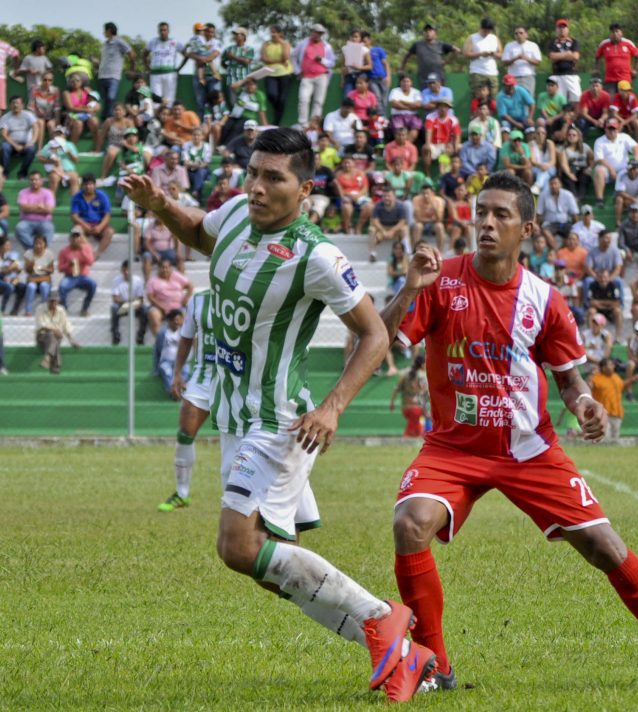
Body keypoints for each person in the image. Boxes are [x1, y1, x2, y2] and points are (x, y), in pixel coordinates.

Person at [123, 127, 437, 703]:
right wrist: (160, 205)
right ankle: (404, 653)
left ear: (306, 188)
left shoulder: (317, 254)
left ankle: (384, 618)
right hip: (234, 416)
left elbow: (372, 335)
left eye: (274, 178)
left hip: (277, 420)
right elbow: (199, 231)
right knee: (264, 567)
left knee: (238, 547)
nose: (258, 188)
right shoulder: (239, 215)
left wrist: (332, 407)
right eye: (253, 173)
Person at [377, 170, 638, 692]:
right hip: (452, 448)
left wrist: (584, 406)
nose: (486, 223)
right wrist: (408, 287)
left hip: (529, 450)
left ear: (528, 230)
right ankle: (437, 666)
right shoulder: (440, 280)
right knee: (409, 523)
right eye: (481, 212)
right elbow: (383, 338)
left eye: (501, 215)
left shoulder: (544, 298)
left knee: (606, 547)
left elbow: (570, 378)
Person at [156, 289, 214, 511]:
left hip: (236, 376)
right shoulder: (199, 300)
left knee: (240, 440)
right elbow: (186, 338)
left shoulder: (245, 293)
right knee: (185, 432)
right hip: (203, 376)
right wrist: (178, 373)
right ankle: (182, 493)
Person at [294, 24, 335, 127]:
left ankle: (314, 123)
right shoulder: (303, 44)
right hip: (306, 76)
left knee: (318, 101)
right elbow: (293, 57)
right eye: (316, 32)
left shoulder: (327, 46)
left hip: (322, 76)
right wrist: (298, 71)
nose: (317, 35)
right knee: (303, 99)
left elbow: (332, 62)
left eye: (320, 33)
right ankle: (303, 123)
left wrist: (321, 60)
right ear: (311, 32)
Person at [97, 23, 135, 121]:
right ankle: (104, 120)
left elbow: (132, 54)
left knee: (111, 98)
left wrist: (131, 69)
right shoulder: (104, 44)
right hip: (102, 76)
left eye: (104, 30)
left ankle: (108, 119)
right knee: (104, 100)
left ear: (109, 30)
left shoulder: (119, 42)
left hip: (113, 76)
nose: (103, 32)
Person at [35, 294, 80, 374]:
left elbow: (66, 325)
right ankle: (55, 366)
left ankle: (48, 358)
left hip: (56, 337)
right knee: (52, 335)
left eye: (55, 301)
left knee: (54, 338)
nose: (53, 303)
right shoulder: (40, 309)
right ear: (47, 301)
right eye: (51, 301)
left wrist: (72, 340)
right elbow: (41, 325)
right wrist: (54, 330)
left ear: (58, 302)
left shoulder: (61, 310)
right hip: (42, 336)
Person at [71, 174, 114, 256]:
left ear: (95, 185)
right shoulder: (77, 197)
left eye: (90, 184)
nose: (88, 187)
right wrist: (85, 225)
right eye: (85, 184)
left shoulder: (102, 196)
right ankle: (90, 252)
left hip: (99, 224)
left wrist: (100, 227)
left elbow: (107, 215)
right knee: (76, 230)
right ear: (82, 185)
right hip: (83, 224)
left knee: (110, 232)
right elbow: (74, 216)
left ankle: (97, 254)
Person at [144, 22, 184, 109]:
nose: (163, 32)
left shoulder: (174, 42)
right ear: (158, 31)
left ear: (168, 31)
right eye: (161, 30)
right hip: (155, 74)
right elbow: (144, 54)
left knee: (169, 100)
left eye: (165, 30)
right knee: (156, 100)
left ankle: (168, 120)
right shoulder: (153, 42)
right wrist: (148, 68)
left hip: (170, 73)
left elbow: (186, 54)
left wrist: (179, 69)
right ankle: (157, 120)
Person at [109, 259, 148, 345]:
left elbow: (141, 299)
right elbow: (115, 298)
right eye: (124, 270)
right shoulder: (116, 280)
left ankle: (141, 335)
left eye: (128, 270)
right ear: (121, 270)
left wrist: (133, 303)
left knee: (145, 309)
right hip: (122, 306)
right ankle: (116, 335)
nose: (126, 272)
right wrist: (128, 302)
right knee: (114, 308)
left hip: (135, 306)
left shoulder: (138, 280)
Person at [594, 23, 638, 94]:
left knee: (625, 100)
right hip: (610, 79)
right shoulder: (604, 44)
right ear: (610, 34)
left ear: (621, 33)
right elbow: (597, 56)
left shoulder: (628, 43)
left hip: (625, 78)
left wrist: (635, 69)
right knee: (610, 101)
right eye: (613, 32)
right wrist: (596, 69)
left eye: (617, 31)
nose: (615, 34)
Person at [463, 18, 501, 99]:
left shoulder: (494, 38)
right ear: (481, 28)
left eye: (489, 31)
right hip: (477, 72)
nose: (487, 33)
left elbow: (501, 54)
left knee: (493, 98)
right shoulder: (472, 38)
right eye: (485, 30)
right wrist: (480, 54)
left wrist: (493, 54)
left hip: (492, 72)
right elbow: (466, 54)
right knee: (477, 98)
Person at [501, 26, 541, 97]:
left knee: (528, 98)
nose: (518, 35)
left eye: (521, 33)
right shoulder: (509, 46)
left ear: (526, 34)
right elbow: (505, 62)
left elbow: (538, 62)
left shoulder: (533, 45)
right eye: (516, 33)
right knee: (513, 97)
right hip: (513, 77)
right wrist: (515, 58)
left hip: (528, 76)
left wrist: (526, 58)